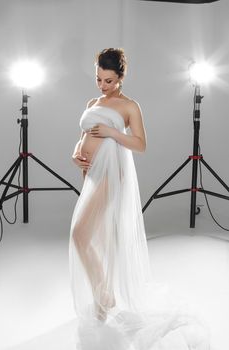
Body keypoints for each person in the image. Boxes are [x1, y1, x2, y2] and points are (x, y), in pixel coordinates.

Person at [69, 48, 210, 350]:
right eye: (98, 79)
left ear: (120, 77)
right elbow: (81, 136)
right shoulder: (92, 102)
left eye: (108, 81)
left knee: (79, 234)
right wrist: (75, 154)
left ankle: (105, 294)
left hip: (111, 173)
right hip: (90, 173)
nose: (102, 86)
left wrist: (110, 132)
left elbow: (141, 144)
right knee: (99, 237)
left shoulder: (130, 106)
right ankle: (102, 299)